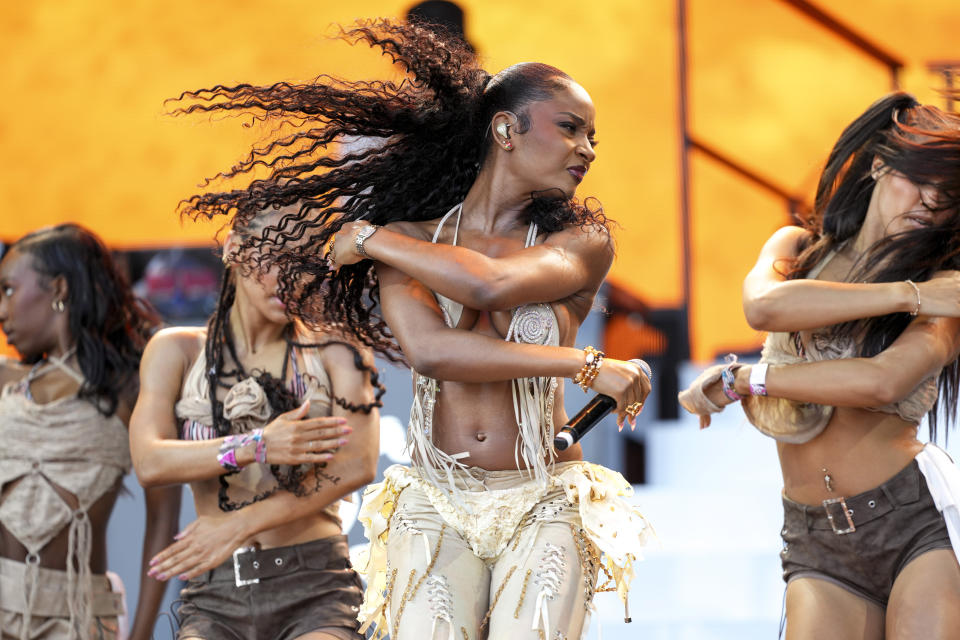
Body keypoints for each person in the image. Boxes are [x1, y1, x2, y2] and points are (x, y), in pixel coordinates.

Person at [167, 19, 654, 640]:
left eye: (593, 136)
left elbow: (489, 286)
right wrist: (583, 366)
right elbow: (431, 351)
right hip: (435, 499)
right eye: (570, 128)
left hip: (543, 495)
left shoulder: (580, 243)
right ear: (505, 129)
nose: (587, 148)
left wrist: (372, 239)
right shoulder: (412, 241)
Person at [679, 92, 960, 639]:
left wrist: (747, 381)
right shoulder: (800, 248)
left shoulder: (946, 294)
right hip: (815, 538)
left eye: (947, 196)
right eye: (919, 180)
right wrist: (907, 295)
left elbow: (883, 380)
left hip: (914, 521)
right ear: (879, 164)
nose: (930, 202)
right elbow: (764, 306)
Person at [129, 210, 383, 640]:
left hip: (317, 585)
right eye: (279, 259)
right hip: (215, 593)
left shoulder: (336, 347)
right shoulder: (176, 351)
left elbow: (357, 464)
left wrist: (239, 524)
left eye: (307, 266)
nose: (293, 280)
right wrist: (257, 444)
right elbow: (150, 462)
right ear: (234, 248)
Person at [0, 224, 178, 640]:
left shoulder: (132, 386)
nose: (1, 309)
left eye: (8, 289)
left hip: (78, 616)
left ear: (59, 289)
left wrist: (142, 633)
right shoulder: (7, 380)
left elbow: (163, 517)